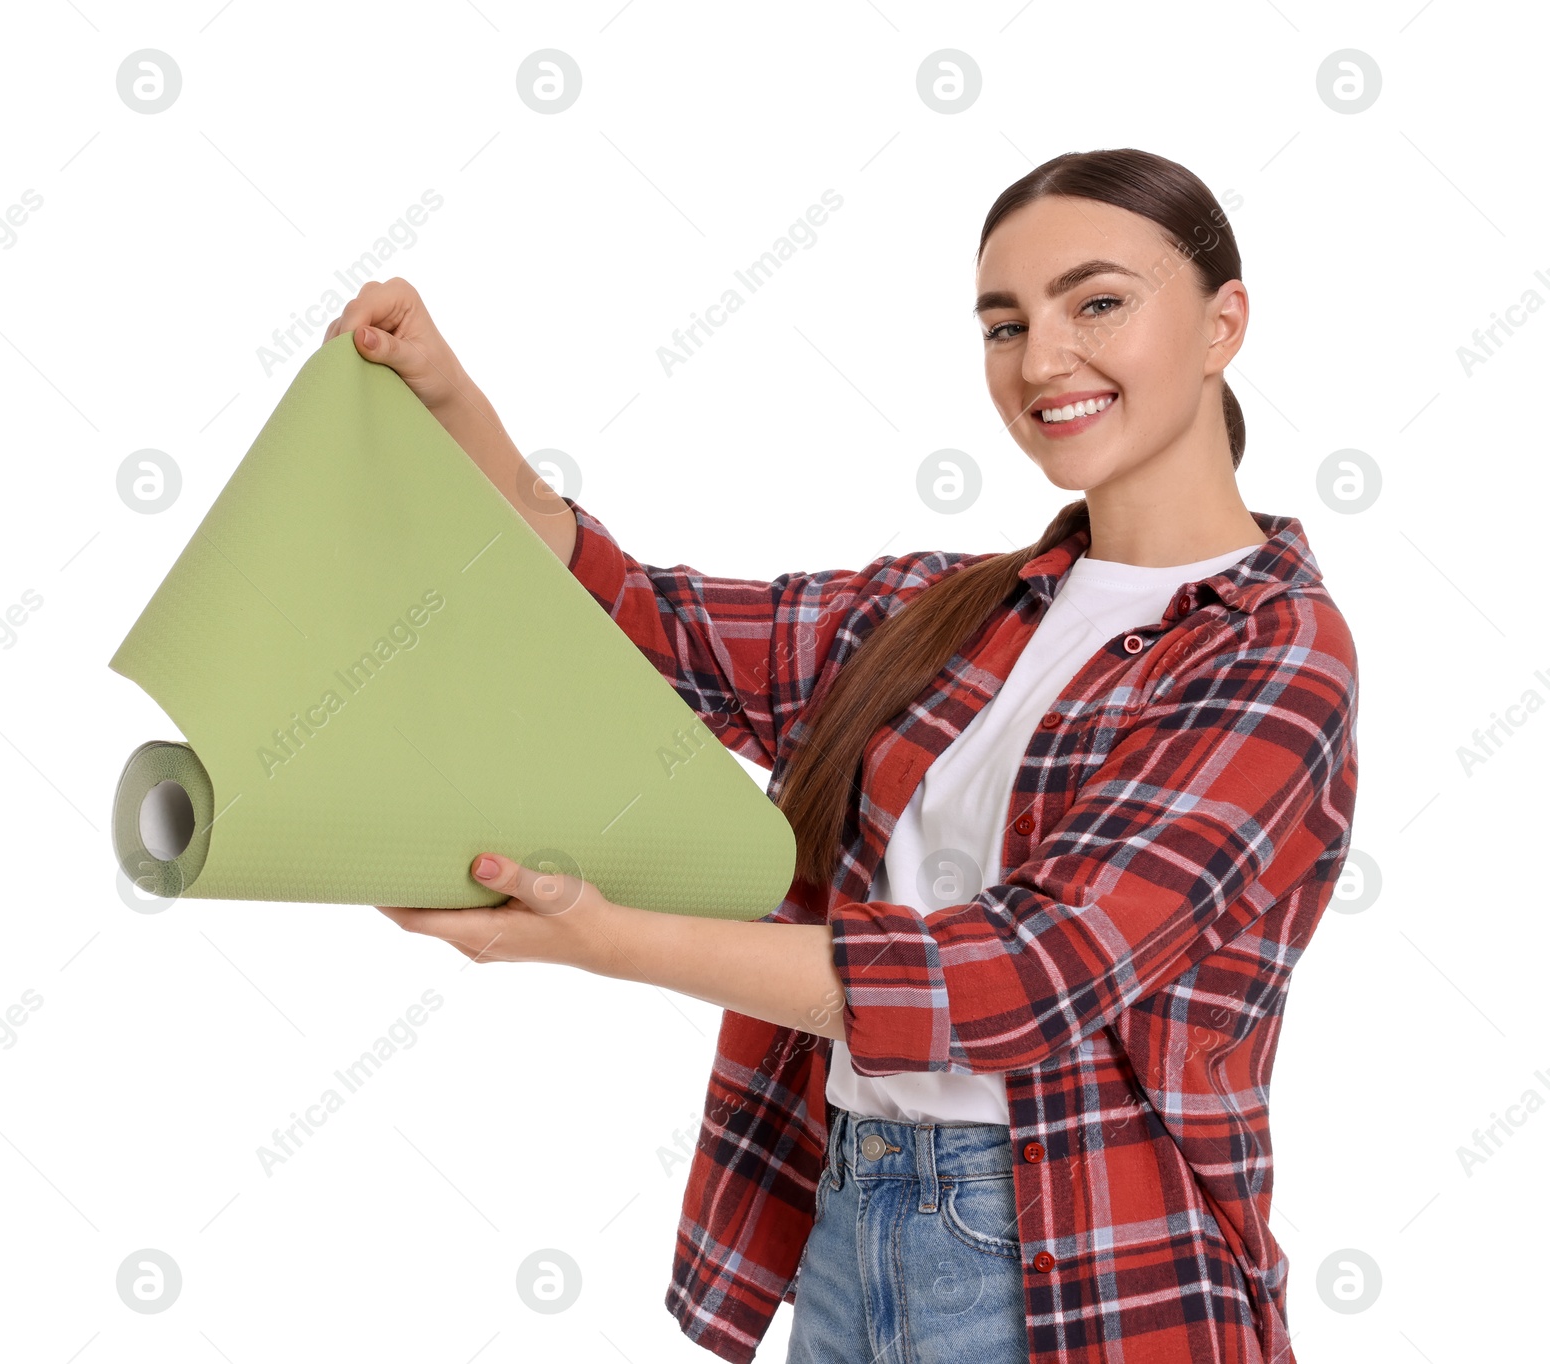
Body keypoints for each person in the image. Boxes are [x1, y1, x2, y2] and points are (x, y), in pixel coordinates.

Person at [347, 146, 1359, 1364]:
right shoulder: (948, 609)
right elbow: (643, 620)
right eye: (1003, 324)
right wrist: (454, 401)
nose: (1040, 362)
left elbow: (1023, 974)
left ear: (1221, 324)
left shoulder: (1276, 652)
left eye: (1097, 303)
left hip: (1081, 1265)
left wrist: (601, 938)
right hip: (850, 1213)